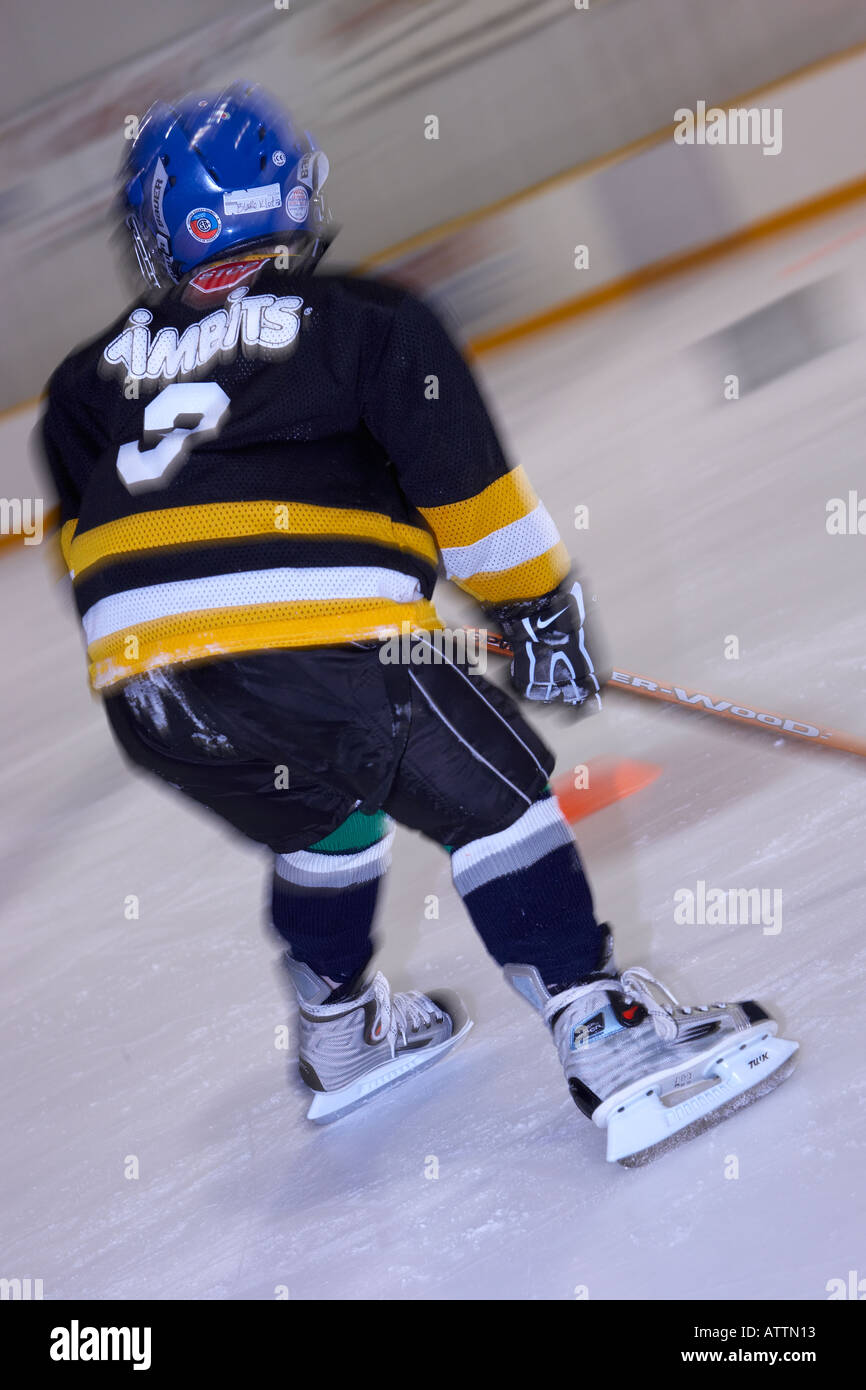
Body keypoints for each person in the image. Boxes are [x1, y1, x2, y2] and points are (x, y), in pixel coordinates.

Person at [40, 82, 796, 1164]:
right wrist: (536, 609)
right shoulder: (366, 321)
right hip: (336, 649)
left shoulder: (78, 384)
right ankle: (605, 1031)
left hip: (151, 692)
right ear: (293, 200)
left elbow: (110, 555)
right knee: (496, 795)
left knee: (326, 817)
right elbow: (467, 493)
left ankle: (338, 1036)